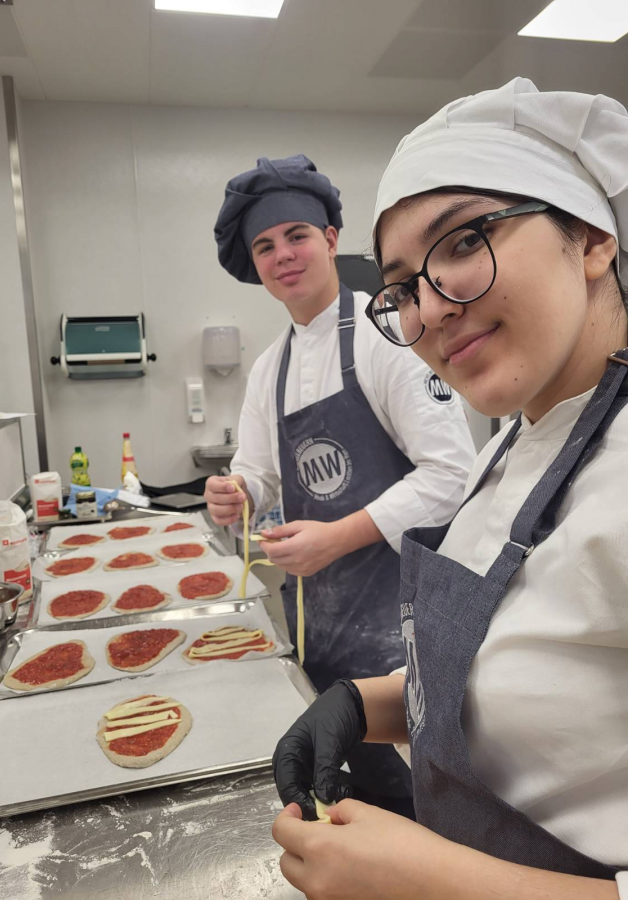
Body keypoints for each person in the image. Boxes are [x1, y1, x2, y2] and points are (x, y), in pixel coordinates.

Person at [271, 78, 628, 899]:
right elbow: (535, 692)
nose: (428, 310)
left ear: (589, 238)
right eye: (401, 289)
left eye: (463, 241)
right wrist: (366, 703)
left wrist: (435, 880)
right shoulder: (508, 445)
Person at [207, 154, 476, 810]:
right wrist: (237, 492)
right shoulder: (270, 367)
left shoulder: (390, 337)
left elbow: (451, 475)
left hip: (402, 631)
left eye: (296, 235)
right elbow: (259, 472)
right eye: (265, 246)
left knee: (419, 805)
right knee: (343, 796)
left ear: (330, 239)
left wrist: (337, 537)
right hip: (316, 627)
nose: (282, 255)